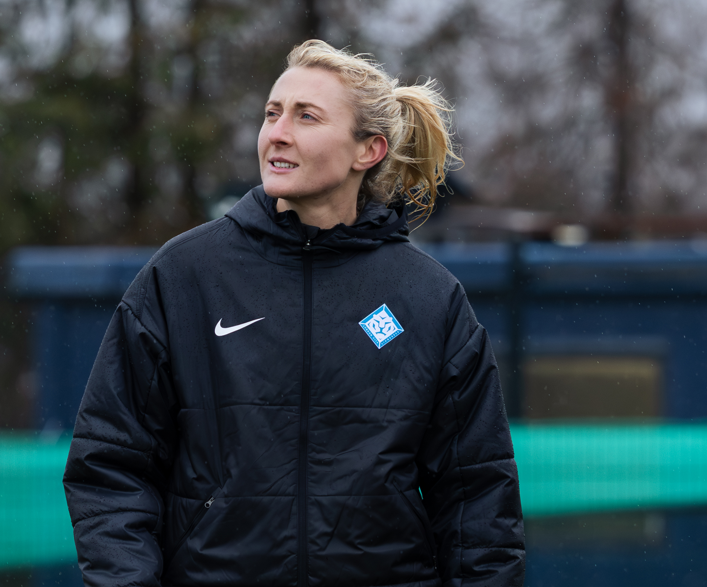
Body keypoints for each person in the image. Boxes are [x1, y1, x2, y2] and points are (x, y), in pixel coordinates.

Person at [63, 40, 525, 587]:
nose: (277, 133)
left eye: (306, 117)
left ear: (368, 151)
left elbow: (477, 496)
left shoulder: (428, 297)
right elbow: (111, 464)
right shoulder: (183, 275)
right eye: (271, 114)